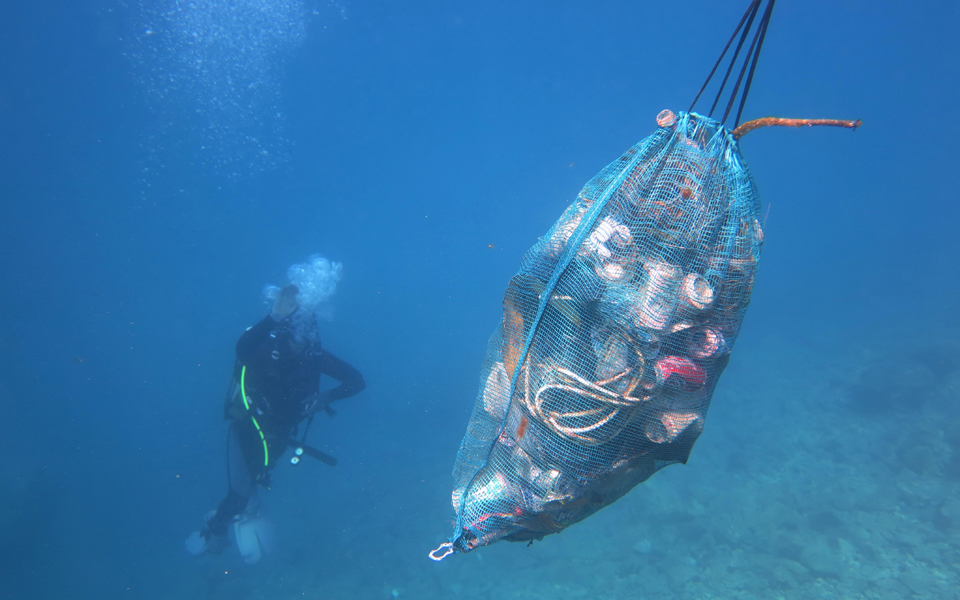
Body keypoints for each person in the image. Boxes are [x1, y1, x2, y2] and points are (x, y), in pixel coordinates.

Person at [187, 283, 365, 562]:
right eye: (296, 337)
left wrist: (326, 397)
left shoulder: (316, 356)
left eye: (307, 337)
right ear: (285, 332)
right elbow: (242, 349)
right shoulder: (266, 350)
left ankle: (248, 503)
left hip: (281, 431)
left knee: (259, 475)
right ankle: (214, 530)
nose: (301, 344)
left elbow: (356, 381)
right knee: (239, 495)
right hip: (247, 426)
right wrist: (274, 317)